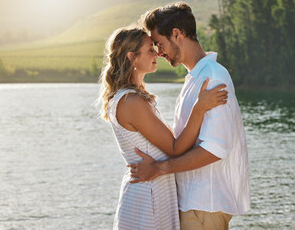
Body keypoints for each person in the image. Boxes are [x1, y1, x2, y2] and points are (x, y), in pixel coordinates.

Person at [128, 2, 251, 230]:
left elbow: (215, 150)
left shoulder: (213, 78)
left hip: (204, 207)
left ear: (177, 34)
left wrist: (159, 169)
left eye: (159, 43)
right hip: (193, 205)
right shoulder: (195, 78)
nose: (159, 52)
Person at [98, 26, 228, 230]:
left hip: (152, 191)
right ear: (132, 57)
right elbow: (175, 149)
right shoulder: (131, 102)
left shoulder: (131, 97)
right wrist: (199, 107)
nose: (157, 53)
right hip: (148, 196)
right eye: (150, 49)